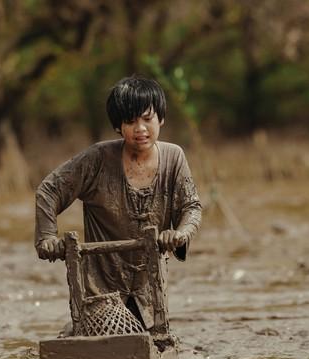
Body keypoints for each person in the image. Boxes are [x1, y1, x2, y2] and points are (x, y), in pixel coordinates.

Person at [34, 75, 201, 331]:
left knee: (153, 339)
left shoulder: (174, 158)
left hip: (150, 287)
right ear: (118, 127)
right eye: (131, 121)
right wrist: (47, 237)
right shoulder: (98, 159)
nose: (141, 129)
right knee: (102, 339)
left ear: (161, 119)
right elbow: (49, 190)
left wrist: (178, 234)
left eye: (147, 119)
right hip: (101, 285)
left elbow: (191, 207)